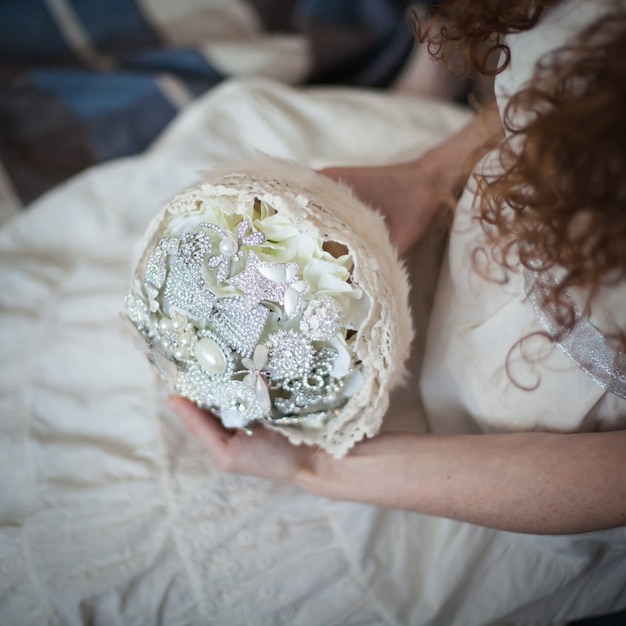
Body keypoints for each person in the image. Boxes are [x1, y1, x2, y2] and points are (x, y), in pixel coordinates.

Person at [168, 0, 626, 536]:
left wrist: (315, 467)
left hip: (545, 444)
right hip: (477, 232)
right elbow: (559, 105)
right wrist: (428, 175)